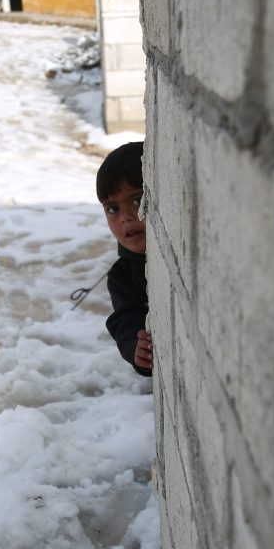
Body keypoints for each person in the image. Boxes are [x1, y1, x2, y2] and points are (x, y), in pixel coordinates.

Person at [97, 141, 153, 376]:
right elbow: (125, 321)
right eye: (113, 209)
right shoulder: (121, 276)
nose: (126, 218)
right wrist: (135, 349)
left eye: (136, 200)